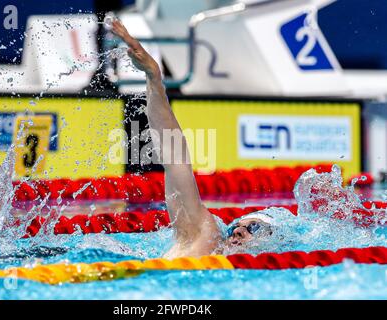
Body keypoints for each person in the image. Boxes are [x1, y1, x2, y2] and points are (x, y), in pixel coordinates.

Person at [111, 19, 283, 258]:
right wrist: (154, 79)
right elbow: (176, 159)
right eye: (238, 225)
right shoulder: (204, 240)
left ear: (273, 246)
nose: (240, 231)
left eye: (254, 227)